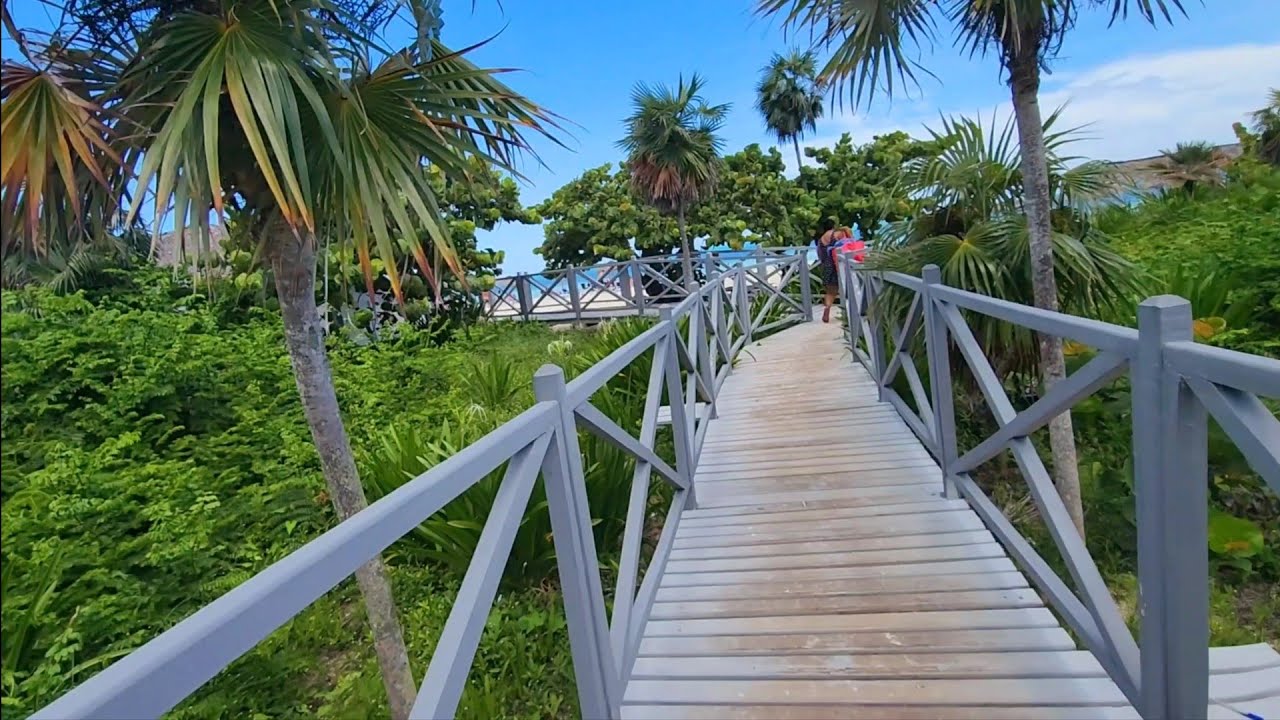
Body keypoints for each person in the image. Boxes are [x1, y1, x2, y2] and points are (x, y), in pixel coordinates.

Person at [814, 219, 851, 323]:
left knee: (830, 291)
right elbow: (847, 245)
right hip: (839, 264)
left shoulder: (821, 239)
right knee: (847, 289)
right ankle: (848, 313)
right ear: (833, 225)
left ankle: (827, 309)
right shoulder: (836, 234)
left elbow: (820, 255)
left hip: (827, 266)